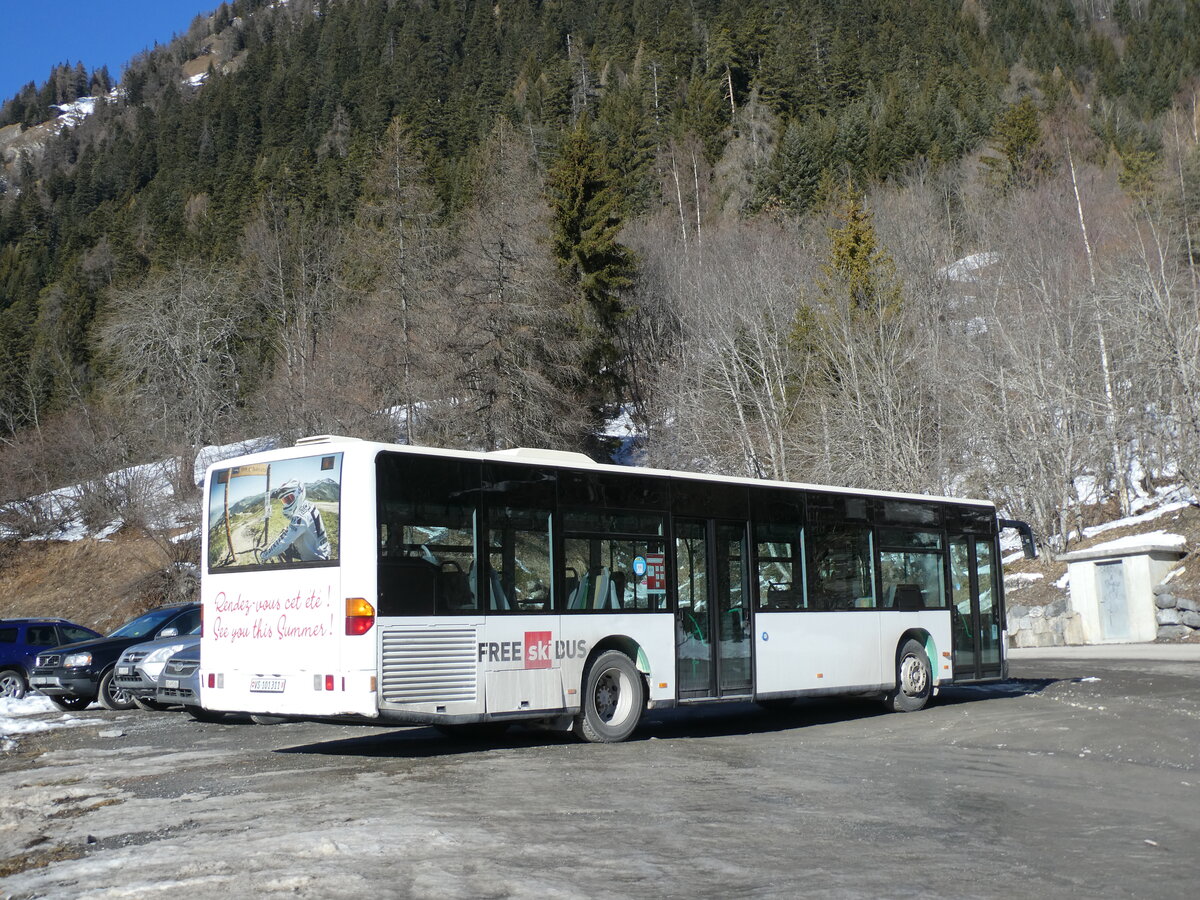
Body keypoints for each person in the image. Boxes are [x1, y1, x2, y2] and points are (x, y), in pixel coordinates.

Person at [261, 479, 331, 562]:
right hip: (322, 550)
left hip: (315, 559)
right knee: (287, 543)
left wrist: (264, 555)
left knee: (283, 545)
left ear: (299, 494)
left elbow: (283, 543)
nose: (287, 502)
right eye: (285, 500)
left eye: (289, 498)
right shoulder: (308, 505)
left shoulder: (300, 518)